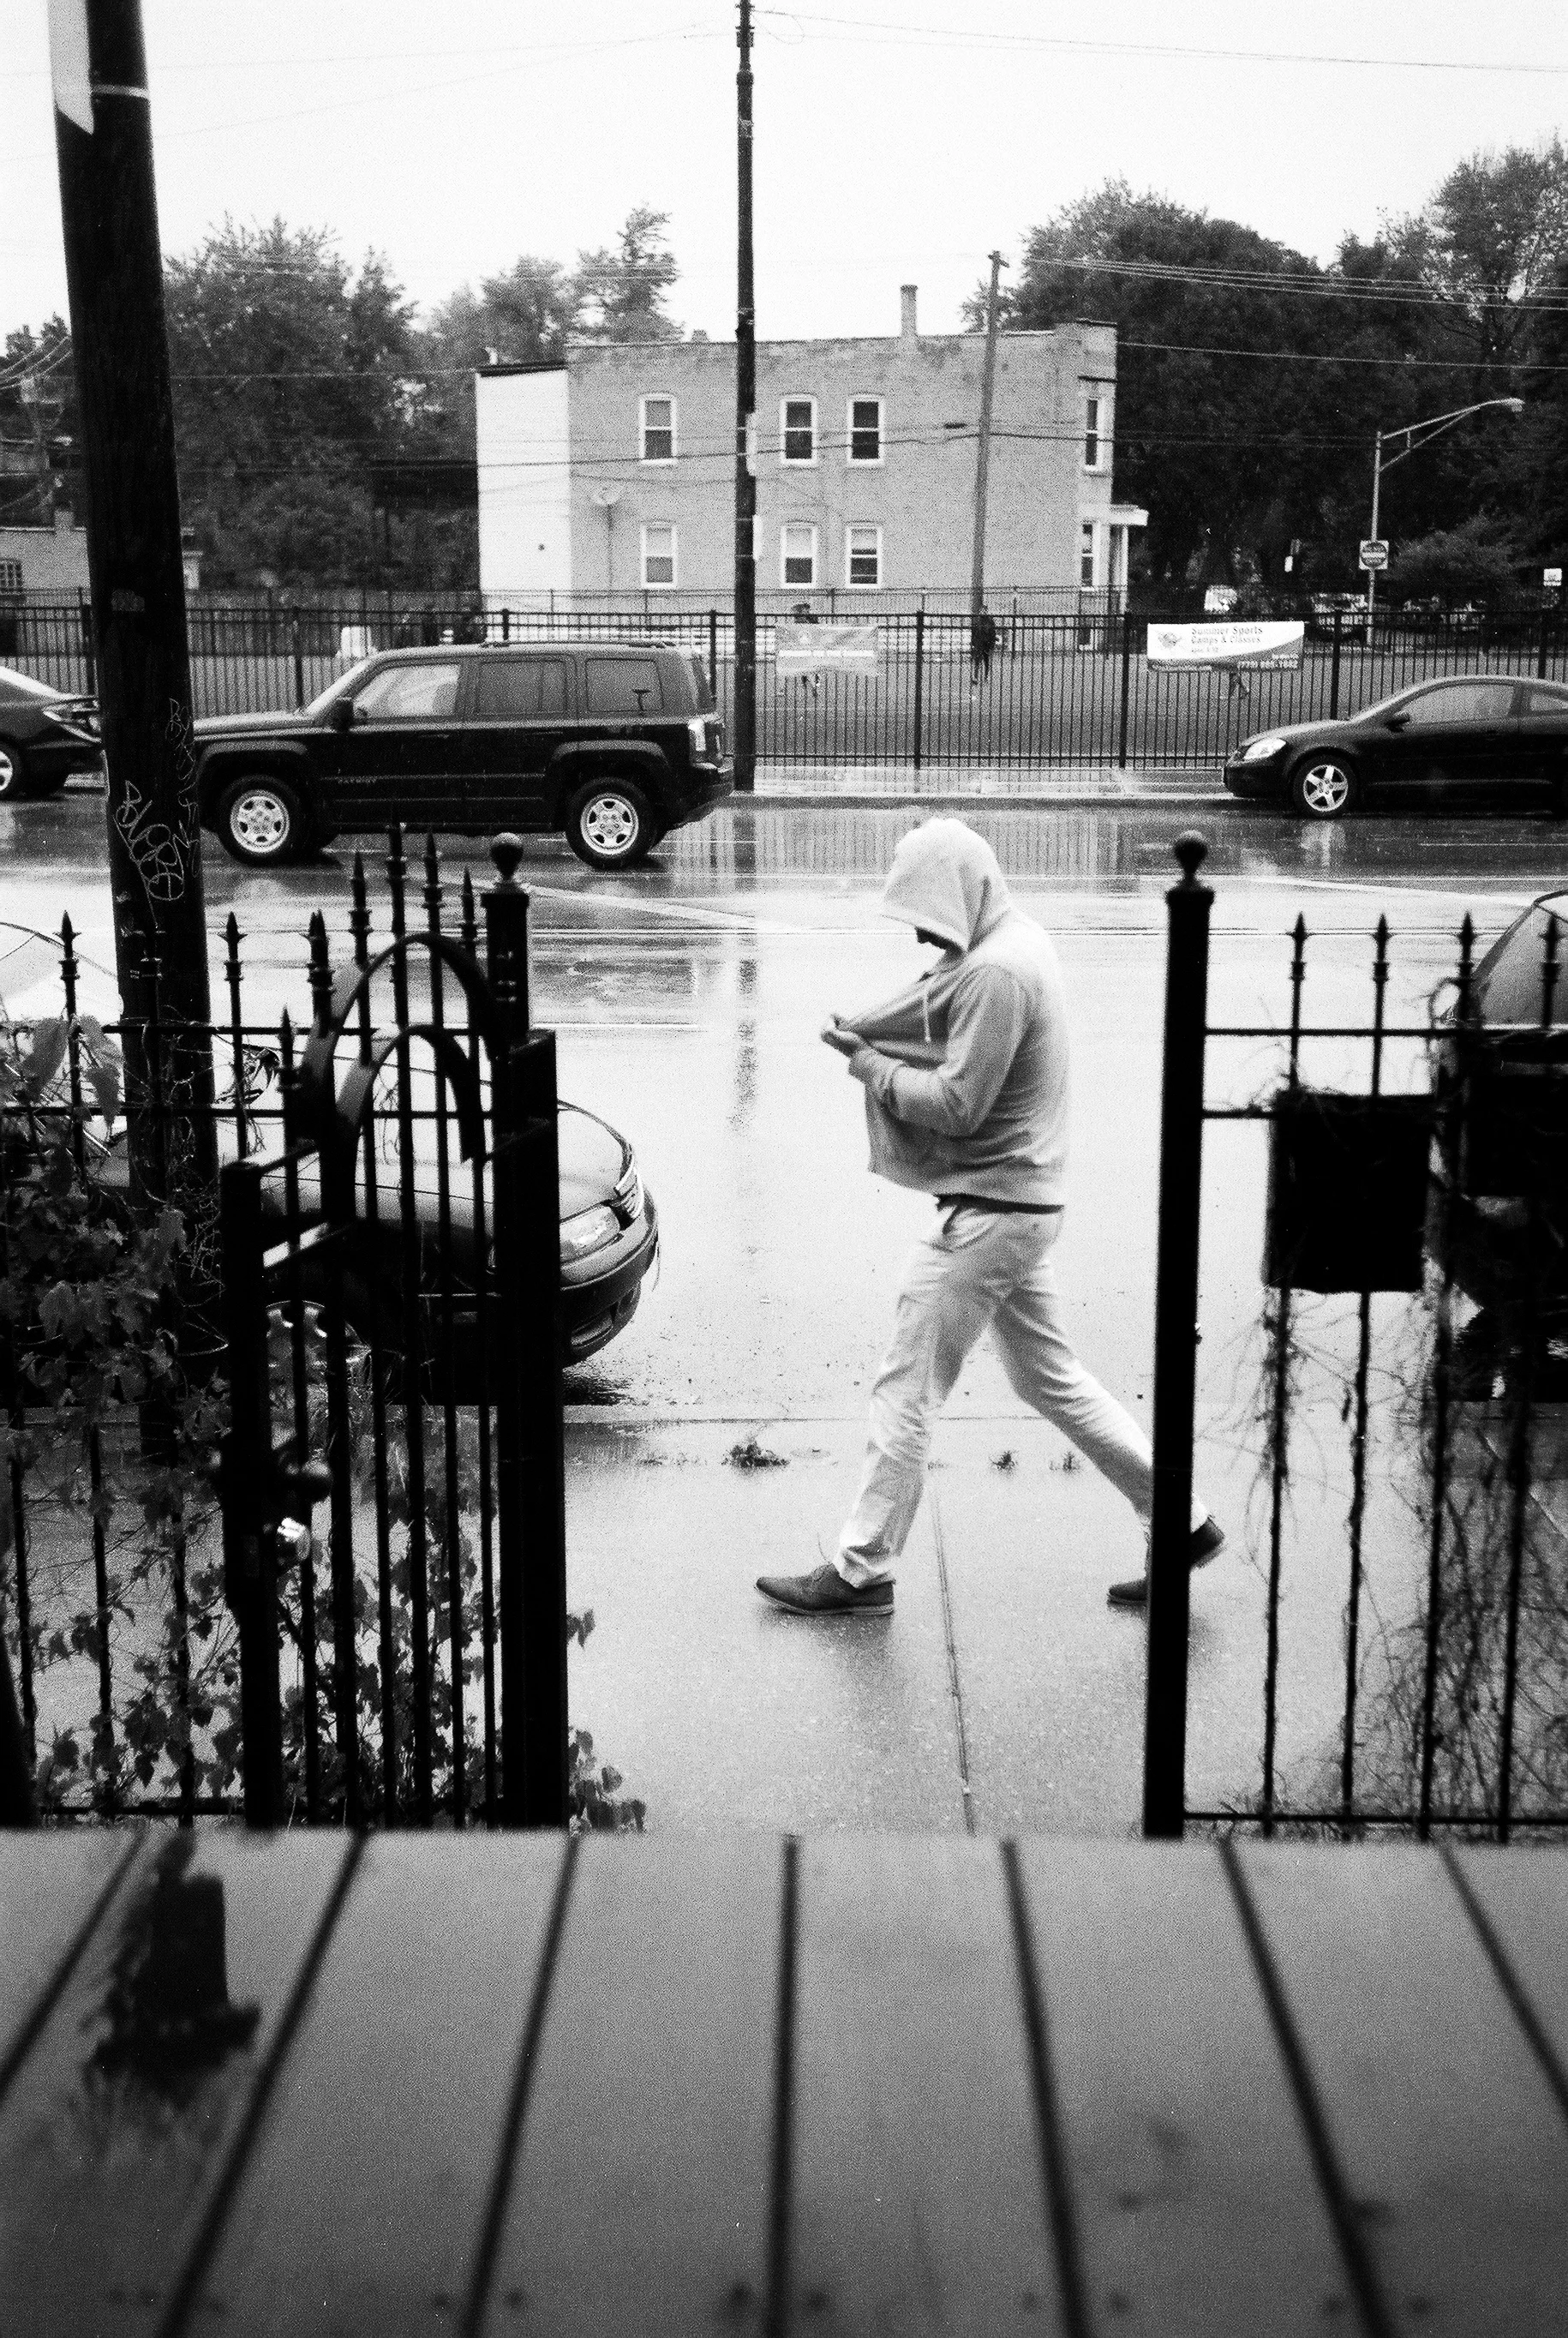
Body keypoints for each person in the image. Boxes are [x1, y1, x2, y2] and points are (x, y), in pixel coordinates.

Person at [755, 817, 1224, 1618]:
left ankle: (861, 1570)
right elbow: (945, 1014)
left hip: (990, 1215)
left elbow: (960, 1105)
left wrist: (869, 1064)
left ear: (961, 893)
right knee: (1051, 1380)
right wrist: (883, 1036)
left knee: (905, 1386)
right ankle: (1179, 1522)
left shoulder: (998, 973)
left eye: (924, 916)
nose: (918, 937)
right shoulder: (1019, 940)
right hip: (1024, 1203)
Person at [970, 604, 996, 687]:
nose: (983, 612)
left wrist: (992, 643)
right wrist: (973, 642)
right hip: (979, 643)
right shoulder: (977, 620)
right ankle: (975, 677)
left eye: (985, 610)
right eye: (982, 610)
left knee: (986, 660)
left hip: (987, 643)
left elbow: (993, 632)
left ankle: (986, 677)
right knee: (977, 660)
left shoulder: (990, 620)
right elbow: (973, 632)